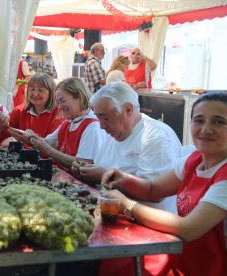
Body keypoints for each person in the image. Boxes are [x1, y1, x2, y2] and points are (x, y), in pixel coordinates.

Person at [100, 91, 227, 276]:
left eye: (219, 122)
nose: (206, 129)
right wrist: (126, 179)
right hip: (183, 257)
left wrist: (127, 205)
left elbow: (188, 229)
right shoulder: (194, 160)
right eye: (199, 120)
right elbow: (153, 189)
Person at [72, 81, 182, 211]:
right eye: (98, 118)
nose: (101, 126)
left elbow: (156, 194)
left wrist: (104, 177)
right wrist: (85, 171)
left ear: (128, 110)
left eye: (106, 118)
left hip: (146, 224)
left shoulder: (156, 136)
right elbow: (100, 168)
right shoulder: (115, 133)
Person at [22, 77, 107, 172]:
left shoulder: (92, 127)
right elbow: (47, 142)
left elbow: (84, 165)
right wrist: (29, 137)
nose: (60, 107)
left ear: (81, 97)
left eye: (63, 101)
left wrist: (49, 151)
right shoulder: (68, 122)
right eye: (58, 102)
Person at [0, 73, 64, 147]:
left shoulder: (59, 113)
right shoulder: (20, 111)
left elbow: (53, 145)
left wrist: (27, 140)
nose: (35, 94)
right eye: (32, 89)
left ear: (51, 93)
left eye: (40, 90)